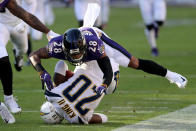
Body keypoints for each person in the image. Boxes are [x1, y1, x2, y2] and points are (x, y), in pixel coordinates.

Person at [29, 26, 187, 96]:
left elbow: (107, 70)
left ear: (83, 48)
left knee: (134, 63)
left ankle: (171, 75)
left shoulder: (94, 47)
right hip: (83, 41)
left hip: (98, 37)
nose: (76, 57)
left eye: (78, 54)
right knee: (83, 75)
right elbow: (33, 55)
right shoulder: (56, 47)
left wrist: (104, 84)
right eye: (73, 55)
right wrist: (41, 72)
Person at [0, 0, 58, 117]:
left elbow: (21, 10)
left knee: (22, 49)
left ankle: (18, 57)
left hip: (17, 23)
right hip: (1, 25)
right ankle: (9, 98)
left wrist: (47, 31)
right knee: (2, 58)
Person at [40, 59, 119, 124]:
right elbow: (61, 64)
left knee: (110, 90)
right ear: (50, 107)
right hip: (93, 61)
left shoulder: (77, 119)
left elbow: (104, 118)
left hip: (112, 71)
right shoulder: (50, 94)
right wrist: (58, 83)